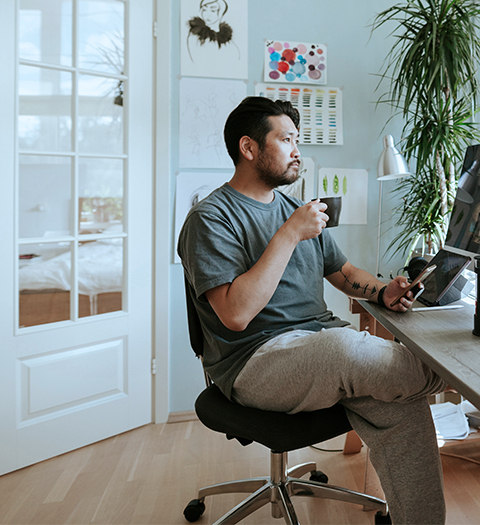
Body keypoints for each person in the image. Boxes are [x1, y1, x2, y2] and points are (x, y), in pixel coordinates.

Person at [177, 96, 448, 524]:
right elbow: (235, 314)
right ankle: (459, 375)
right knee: (346, 347)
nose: (297, 151)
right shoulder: (211, 218)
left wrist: (383, 292)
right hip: (254, 361)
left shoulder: (296, 211)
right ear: (249, 148)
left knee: (402, 404)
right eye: (286, 140)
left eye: (298, 140)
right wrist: (288, 234)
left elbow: (344, 272)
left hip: (319, 347)